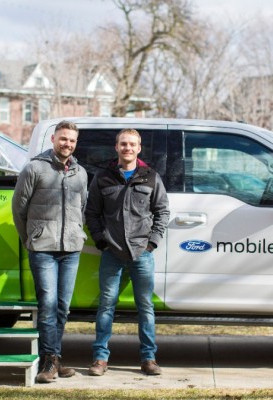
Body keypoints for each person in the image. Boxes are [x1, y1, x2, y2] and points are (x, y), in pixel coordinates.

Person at [84, 128, 170, 376]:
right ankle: (100, 359)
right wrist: (101, 241)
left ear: (139, 148)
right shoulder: (103, 177)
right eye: (123, 144)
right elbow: (92, 212)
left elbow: (163, 212)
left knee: (145, 306)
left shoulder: (151, 177)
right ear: (116, 147)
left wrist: (151, 242)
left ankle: (148, 358)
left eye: (132, 144)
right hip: (112, 252)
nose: (127, 148)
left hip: (142, 252)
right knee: (106, 305)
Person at [12, 120, 87, 384]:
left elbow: (82, 208)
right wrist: (30, 238)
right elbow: (18, 209)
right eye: (63, 139)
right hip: (43, 248)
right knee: (47, 305)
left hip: (71, 249)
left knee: (63, 307)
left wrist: (77, 232)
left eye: (72, 140)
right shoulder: (34, 168)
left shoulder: (80, 173)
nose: (68, 144)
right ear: (54, 139)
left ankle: (55, 358)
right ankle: (49, 360)